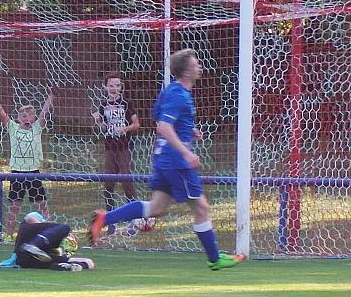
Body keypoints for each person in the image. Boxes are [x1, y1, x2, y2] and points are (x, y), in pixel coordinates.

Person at [88, 49, 244, 270]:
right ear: (187, 71)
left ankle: (104, 218)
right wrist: (186, 152)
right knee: (201, 207)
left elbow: (160, 118)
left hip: (162, 156)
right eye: (196, 64)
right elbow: (163, 126)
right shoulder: (179, 95)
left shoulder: (170, 90)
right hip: (175, 160)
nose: (200, 66)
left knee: (157, 207)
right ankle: (214, 258)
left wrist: (189, 130)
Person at [0, 88, 54, 239]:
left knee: (41, 204)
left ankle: (48, 232)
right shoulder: (13, 128)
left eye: (29, 115)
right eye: (22, 115)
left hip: (33, 172)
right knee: (14, 206)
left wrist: (51, 95)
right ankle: (9, 235)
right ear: (18, 118)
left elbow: (44, 111)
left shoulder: (37, 128)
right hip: (17, 172)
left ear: (34, 117)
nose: (25, 117)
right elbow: (2, 114)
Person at [91, 72, 140, 236]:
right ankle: (110, 223)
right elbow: (104, 129)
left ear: (121, 87)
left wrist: (124, 129)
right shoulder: (103, 105)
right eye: (111, 85)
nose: (114, 88)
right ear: (105, 87)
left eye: (117, 85)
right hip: (110, 148)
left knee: (127, 182)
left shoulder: (126, 103)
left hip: (124, 148)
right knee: (109, 184)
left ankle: (134, 221)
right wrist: (99, 121)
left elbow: (136, 124)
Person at [0, 211, 95, 272]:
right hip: (28, 250)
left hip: (29, 260)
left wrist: (60, 252)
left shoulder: (49, 240)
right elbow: (30, 217)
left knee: (89, 262)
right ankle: (34, 246)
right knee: (65, 228)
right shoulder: (41, 227)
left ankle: (67, 267)